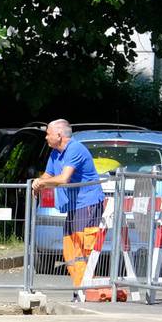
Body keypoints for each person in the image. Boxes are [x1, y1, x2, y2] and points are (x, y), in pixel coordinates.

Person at [30, 118, 107, 291]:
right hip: (73, 206)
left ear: (58, 135)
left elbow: (64, 178)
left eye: (48, 134)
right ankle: (82, 287)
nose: (46, 137)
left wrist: (41, 184)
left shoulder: (75, 149)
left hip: (87, 203)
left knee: (82, 247)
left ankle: (87, 288)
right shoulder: (56, 152)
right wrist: (38, 182)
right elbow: (48, 176)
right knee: (69, 249)